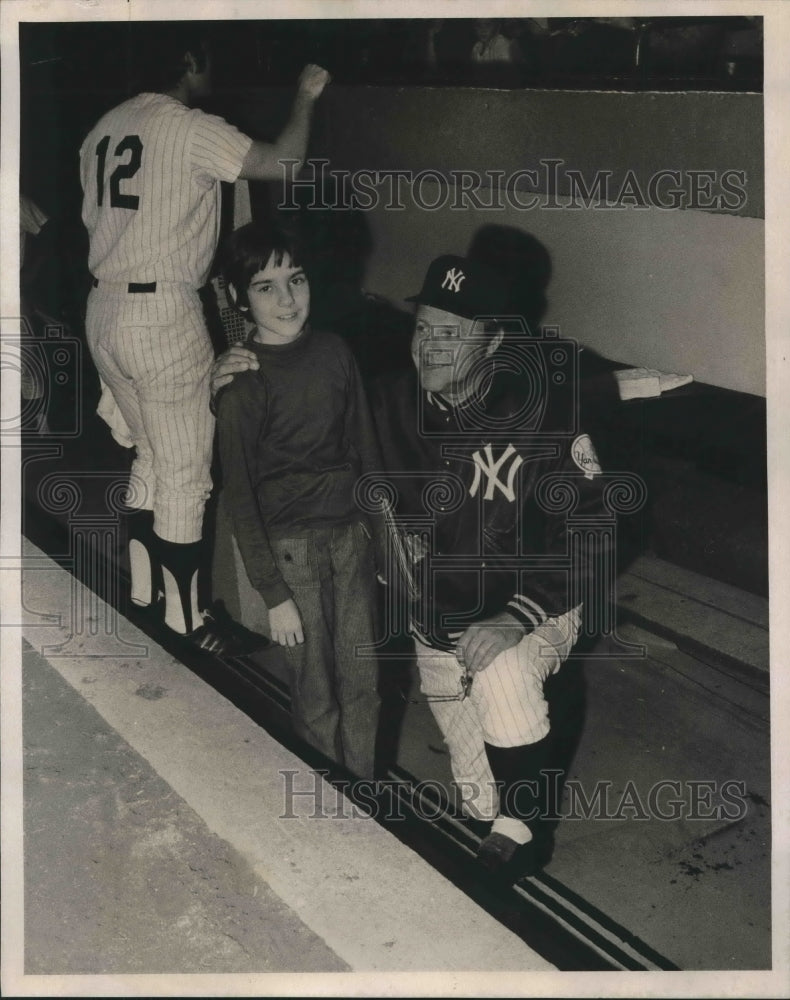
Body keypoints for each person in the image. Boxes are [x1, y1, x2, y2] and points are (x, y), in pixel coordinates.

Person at [210, 252, 609, 880]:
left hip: (530, 605)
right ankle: (504, 809)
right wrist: (226, 374)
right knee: (479, 797)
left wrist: (517, 615)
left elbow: (599, 530)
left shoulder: (544, 413)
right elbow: (302, 403)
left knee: (505, 679)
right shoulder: (392, 400)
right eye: (423, 328)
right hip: (439, 619)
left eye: (452, 334)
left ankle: (526, 828)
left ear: (495, 342)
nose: (430, 348)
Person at [79, 22, 330, 654]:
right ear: (188, 59)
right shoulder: (188, 126)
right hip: (160, 312)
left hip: (104, 308)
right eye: (207, 59)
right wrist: (306, 96)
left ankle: (143, 596)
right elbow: (285, 162)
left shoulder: (102, 128)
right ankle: (188, 622)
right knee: (188, 475)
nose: (211, 70)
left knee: (150, 455)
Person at [213, 222, 383, 778]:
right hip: (292, 556)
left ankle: (362, 801)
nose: (287, 299)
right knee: (315, 695)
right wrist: (273, 595)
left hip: (352, 540)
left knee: (364, 684)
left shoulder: (336, 352)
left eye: (297, 279)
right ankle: (328, 812)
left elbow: (367, 451)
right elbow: (240, 499)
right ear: (238, 297)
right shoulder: (243, 387)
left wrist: (384, 541)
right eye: (265, 286)